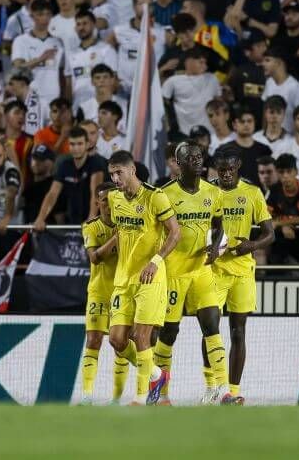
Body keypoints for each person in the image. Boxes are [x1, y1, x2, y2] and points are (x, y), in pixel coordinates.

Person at [155, 142, 235, 405]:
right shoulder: (165, 194)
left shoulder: (214, 192)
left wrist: (216, 246)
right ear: (178, 164)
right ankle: (161, 393)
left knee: (212, 325)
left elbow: (219, 227)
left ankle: (223, 389)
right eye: (190, 158)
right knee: (169, 333)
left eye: (200, 157)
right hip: (173, 272)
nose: (197, 161)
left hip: (201, 270)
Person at [105, 150, 180, 405]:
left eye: (119, 172)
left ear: (132, 170)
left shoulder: (155, 197)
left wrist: (155, 262)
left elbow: (175, 233)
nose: (115, 178)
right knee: (116, 339)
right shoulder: (114, 199)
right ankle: (158, 375)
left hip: (151, 278)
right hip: (122, 279)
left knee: (141, 337)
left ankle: (140, 397)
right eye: (112, 174)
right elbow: (123, 233)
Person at [209, 147, 275, 403]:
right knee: (211, 329)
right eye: (221, 169)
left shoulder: (252, 193)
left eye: (230, 169)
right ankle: (212, 386)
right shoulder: (208, 191)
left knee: (238, 332)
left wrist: (253, 245)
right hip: (213, 270)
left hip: (242, 271)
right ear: (216, 167)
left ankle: (233, 392)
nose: (226, 174)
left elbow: (270, 233)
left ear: (238, 166)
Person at [78, 181, 131, 405]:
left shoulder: (129, 225)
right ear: (97, 202)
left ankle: (117, 399)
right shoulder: (90, 226)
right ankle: (87, 396)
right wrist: (116, 238)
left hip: (123, 292)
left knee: (121, 345)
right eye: (104, 202)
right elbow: (95, 257)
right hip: (99, 292)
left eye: (112, 201)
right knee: (93, 340)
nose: (108, 206)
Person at [12, 0, 69, 132]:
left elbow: (62, 74)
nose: (44, 18)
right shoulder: (21, 41)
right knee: (32, 136)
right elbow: (17, 69)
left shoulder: (58, 42)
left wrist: (65, 99)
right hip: (32, 98)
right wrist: (40, 59)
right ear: (32, 16)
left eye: (48, 14)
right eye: (40, 14)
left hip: (53, 99)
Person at [33, 127, 106, 228]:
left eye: (80, 144)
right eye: (72, 144)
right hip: (73, 222)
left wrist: (92, 218)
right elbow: (52, 194)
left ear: (87, 144)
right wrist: (40, 218)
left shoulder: (96, 162)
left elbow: (96, 192)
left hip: (98, 223)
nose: (76, 148)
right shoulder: (64, 165)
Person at [161, 46, 220, 135]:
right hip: (184, 133)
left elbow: (218, 102)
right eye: (200, 62)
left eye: (205, 63)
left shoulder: (212, 78)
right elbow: (162, 103)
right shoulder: (173, 81)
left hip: (210, 132)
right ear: (188, 62)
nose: (205, 66)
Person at [216, 109, 273, 184]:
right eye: (242, 121)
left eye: (249, 121)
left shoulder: (264, 150)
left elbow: (271, 178)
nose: (246, 124)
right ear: (234, 125)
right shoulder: (223, 150)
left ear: (254, 123)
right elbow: (214, 179)